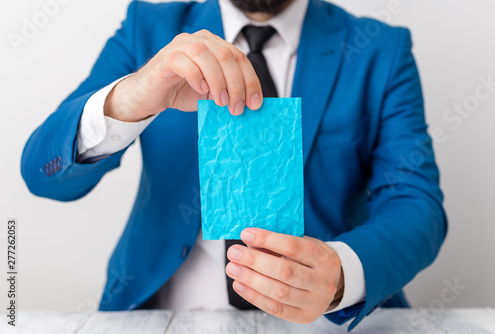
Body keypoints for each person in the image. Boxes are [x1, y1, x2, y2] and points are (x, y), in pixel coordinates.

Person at [20, 0, 447, 330]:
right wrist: (133, 96)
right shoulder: (147, 29)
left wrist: (343, 273)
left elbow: (418, 204)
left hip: (330, 321)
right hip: (164, 316)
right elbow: (43, 174)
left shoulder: (379, 50)